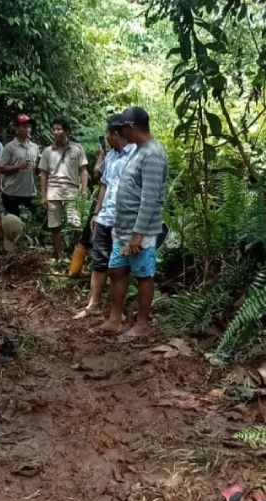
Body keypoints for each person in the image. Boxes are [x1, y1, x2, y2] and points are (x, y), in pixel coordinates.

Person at [103, 106, 168, 339]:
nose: (120, 134)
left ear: (131, 127)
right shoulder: (136, 150)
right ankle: (115, 318)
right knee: (116, 270)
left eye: (122, 129)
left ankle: (141, 324)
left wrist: (138, 235)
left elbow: (150, 199)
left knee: (143, 275)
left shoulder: (153, 154)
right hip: (123, 228)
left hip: (140, 231)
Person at [74, 115, 135, 320]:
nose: (107, 137)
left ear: (116, 133)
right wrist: (97, 212)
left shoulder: (135, 154)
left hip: (124, 219)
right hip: (105, 217)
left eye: (108, 133)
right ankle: (93, 303)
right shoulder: (110, 157)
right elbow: (104, 185)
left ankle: (117, 309)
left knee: (120, 266)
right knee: (99, 261)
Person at [38, 117, 89, 260]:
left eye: (59, 129)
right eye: (54, 129)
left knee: (75, 224)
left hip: (71, 191)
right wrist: (43, 195)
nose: (56, 132)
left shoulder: (77, 149)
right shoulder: (48, 151)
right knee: (55, 226)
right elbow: (43, 174)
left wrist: (83, 191)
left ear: (67, 131)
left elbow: (84, 171)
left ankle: (76, 255)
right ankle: (60, 255)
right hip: (53, 192)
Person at [0, 114, 38, 217]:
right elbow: (1, 168)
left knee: (31, 225)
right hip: (12, 194)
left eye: (29, 127)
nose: (27, 129)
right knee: (14, 226)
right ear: (16, 128)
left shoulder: (35, 147)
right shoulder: (9, 147)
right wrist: (18, 167)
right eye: (24, 127)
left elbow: (36, 169)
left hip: (30, 193)